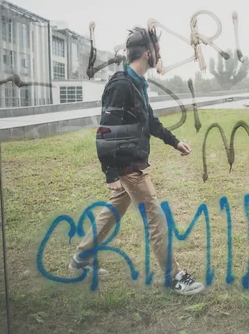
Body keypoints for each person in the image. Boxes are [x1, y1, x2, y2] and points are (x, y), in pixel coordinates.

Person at [68, 25, 205, 295]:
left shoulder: (137, 84)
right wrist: (111, 174)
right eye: (157, 49)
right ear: (146, 53)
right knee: (156, 216)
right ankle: (173, 276)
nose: (160, 54)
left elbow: (150, 121)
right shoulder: (121, 86)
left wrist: (174, 141)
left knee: (113, 211)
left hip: (134, 163)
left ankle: (81, 258)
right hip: (129, 166)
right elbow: (105, 130)